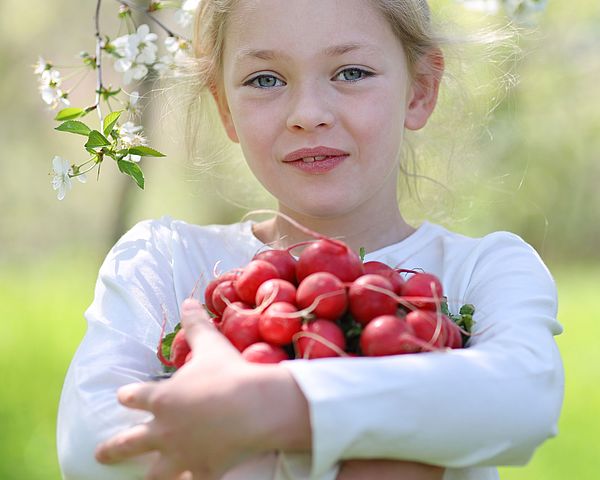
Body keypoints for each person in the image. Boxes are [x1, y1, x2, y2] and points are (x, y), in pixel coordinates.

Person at [57, 0, 564, 479]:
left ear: (420, 89)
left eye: (351, 73)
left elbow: (525, 394)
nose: (308, 112)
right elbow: (92, 444)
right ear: (226, 108)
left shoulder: (484, 270)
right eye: (265, 79)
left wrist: (268, 407)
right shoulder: (165, 262)